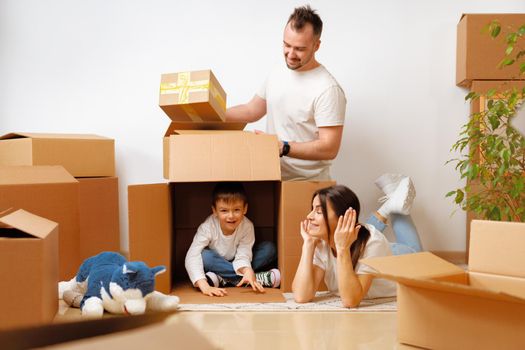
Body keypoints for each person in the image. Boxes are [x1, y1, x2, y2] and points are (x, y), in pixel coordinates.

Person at [226, 5, 346, 181]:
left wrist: (284, 147)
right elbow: (252, 111)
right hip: (271, 176)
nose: (290, 54)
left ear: (316, 46)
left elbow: (329, 148)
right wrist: (212, 113)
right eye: (287, 45)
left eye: (299, 48)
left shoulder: (327, 89)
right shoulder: (278, 72)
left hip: (308, 185)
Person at [292, 174, 423, 308]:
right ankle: (392, 199)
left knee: (418, 254)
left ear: (343, 217)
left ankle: (392, 201)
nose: (309, 216)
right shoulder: (321, 243)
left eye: (319, 212)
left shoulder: (373, 243)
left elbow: (351, 301)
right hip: (384, 252)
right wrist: (308, 245)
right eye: (312, 209)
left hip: (410, 266)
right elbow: (301, 296)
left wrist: (342, 249)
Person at [185, 182, 280, 297]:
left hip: (239, 261)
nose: (231, 216)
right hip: (217, 262)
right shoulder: (207, 227)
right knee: (205, 256)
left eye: (236, 210)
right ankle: (255, 279)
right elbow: (192, 255)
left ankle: (223, 279)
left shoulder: (247, 226)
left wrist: (247, 270)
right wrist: (204, 285)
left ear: (245, 209)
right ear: (214, 210)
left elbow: (244, 252)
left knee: (269, 249)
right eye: (224, 211)